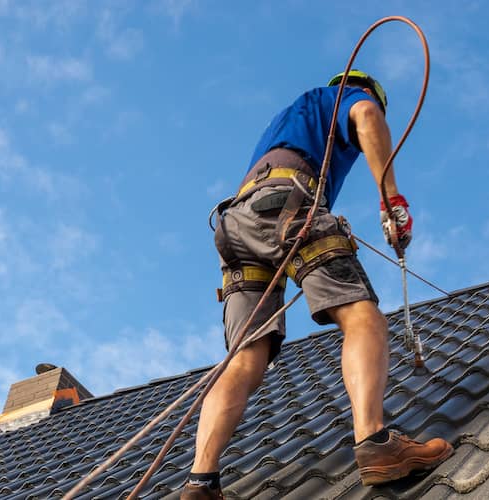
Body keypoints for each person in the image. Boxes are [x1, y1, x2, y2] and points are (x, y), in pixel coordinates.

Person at [181, 70, 453, 500]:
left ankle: (201, 481)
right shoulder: (346, 97)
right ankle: (374, 441)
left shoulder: (290, 118)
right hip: (288, 204)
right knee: (362, 316)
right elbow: (364, 115)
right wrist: (392, 201)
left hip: (237, 225)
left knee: (245, 359)